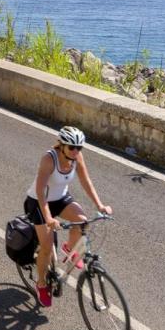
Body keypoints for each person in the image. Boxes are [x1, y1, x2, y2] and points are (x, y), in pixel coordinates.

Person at [24, 126, 112, 307]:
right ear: (62, 145)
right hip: (39, 203)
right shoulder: (49, 159)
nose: (75, 151)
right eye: (71, 147)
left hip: (61, 199)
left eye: (79, 148)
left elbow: (86, 181)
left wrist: (100, 205)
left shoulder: (76, 157)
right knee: (47, 248)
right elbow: (40, 191)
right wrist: (48, 218)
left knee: (82, 221)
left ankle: (69, 248)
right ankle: (41, 284)